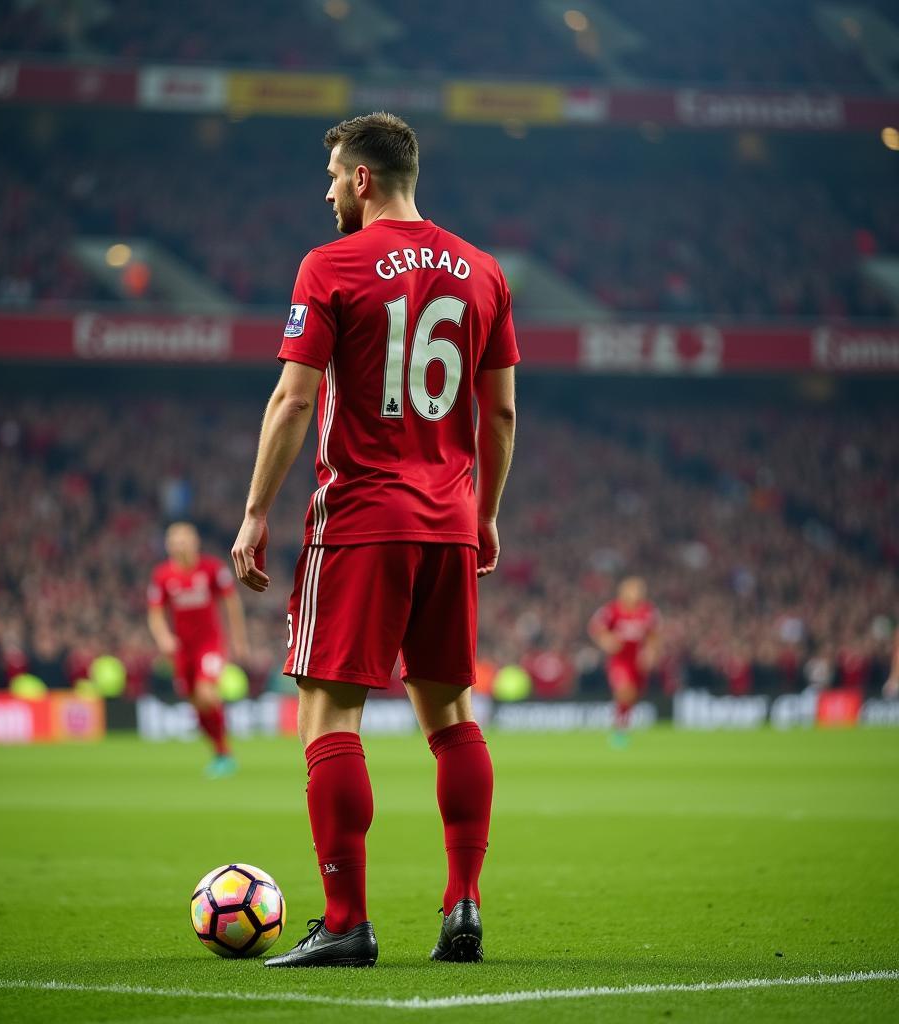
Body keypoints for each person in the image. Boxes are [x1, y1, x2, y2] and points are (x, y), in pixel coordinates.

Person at [231, 112, 518, 968]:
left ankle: (346, 920)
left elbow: (291, 400)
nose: (325, 192)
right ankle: (462, 904)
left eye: (332, 177)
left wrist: (254, 512)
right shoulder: (484, 271)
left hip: (360, 521)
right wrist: (486, 513)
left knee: (327, 711)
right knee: (451, 716)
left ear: (363, 178)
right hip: (447, 522)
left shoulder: (331, 265)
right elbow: (497, 412)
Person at [148, 521, 249, 777]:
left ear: (195, 542)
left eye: (184, 539)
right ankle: (219, 753)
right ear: (168, 545)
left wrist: (238, 639)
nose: (179, 544)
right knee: (196, 703)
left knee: (206, 693)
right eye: (174, 540)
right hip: (183, 649)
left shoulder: (212, 568)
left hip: (210, 644)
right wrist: (163, 637)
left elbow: (231, 602)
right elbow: (156, 613)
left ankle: (225, 751)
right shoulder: (162, 576)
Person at [588, 576, 660, 746]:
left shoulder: (648, 612)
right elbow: (595, 628)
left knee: (633, 695)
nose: (636, 594)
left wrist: (650, 653)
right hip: (620, 661)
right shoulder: (612, 610)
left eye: (639, 590)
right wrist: (606, 640)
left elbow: (654, 636)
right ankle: (619, 731)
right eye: (633, 590)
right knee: (624, 690)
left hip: (637, 661)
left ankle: (622, 725)